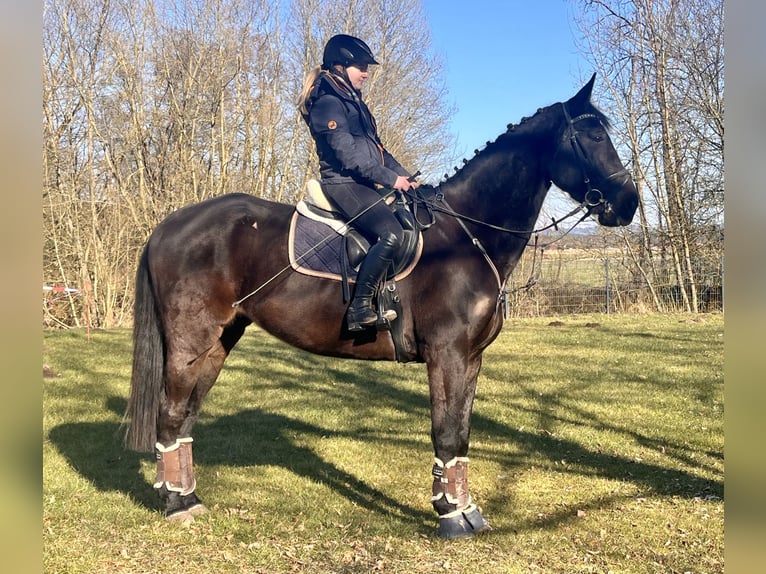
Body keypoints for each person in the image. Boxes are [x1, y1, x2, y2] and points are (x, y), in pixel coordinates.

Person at [299, 34, 419, 332]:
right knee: (391, 233)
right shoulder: (327, 104)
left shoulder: (356, 105)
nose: (366, 72)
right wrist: (391, 180)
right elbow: (349, 157)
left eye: (366, 67)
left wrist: (405, 178)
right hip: (342, 183)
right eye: (360, 66)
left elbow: (379, 151)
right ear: (339, 67)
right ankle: (360, 308)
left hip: (364, 184)